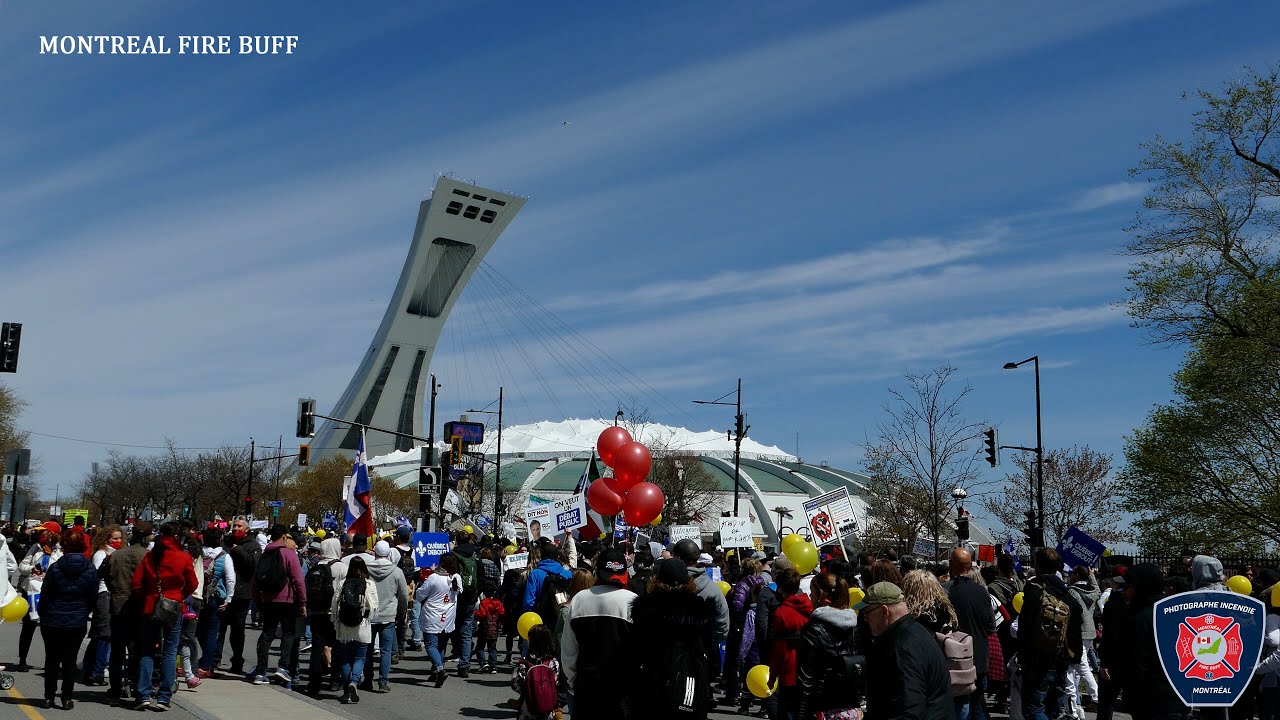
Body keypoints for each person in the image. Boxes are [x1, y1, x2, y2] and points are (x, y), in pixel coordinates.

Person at [624, 557, 717, 718]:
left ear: (657, 579)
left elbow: (635, 650)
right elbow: (710, 649)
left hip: (653, 684)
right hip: (691, 683)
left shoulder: (647, 608)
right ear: (688, 580)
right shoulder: (699, 609)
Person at [562, 548, 638, 718]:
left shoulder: (580, 599)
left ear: (598, 572)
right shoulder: (633, 601)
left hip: (587, 686)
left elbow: (568, 650)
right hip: (621, 689)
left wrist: (574, 681)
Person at [131, 522, 198, 711]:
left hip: (151, 605)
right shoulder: (183, 557)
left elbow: (136, 582)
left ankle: (143, 694)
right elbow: (193, 583)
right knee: (170, 651)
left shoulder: (151, 556)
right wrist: (179, 595)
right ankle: (164, 697)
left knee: (147, 650)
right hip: (173, 605)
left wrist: (147, 596)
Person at [862, 581, 952, 720]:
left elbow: (908, 708)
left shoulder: (903, 646)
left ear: (884, 611)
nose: (866, 619)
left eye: (867, 612)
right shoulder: (916, 632)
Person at [1017, 548, 1084, 720]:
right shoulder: (1068, 594)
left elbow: (1024, 626)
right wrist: (1073, 657)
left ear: (1038, 566)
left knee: (1033, 708)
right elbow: (1076, 628)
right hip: (1060, 660)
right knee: (1053, 709)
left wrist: (1023, 657)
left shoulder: (1034, 590)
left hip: (1037, 659)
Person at [36, 530, 98, 710]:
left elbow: (45, 594)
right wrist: (85, 611)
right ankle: (66, 698)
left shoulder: (55, 568)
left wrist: (43, 612)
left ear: (64, 546)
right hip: (76, 619)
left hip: (52, 618)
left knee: (52, 659)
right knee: (70, 660)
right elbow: (93, 596)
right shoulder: (90, 568)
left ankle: (48, 697)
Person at [1118, 563, 1188, 720]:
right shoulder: (1175, 613)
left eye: (1128, 586)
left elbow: (1137, 664)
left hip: (1152, 701)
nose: (1124, 591)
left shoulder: (1140, 618)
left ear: (1141, 587)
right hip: (1178, 698)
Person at [795, 571, 862, 720]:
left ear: (820, 594)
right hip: (851, 709)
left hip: (821, 708)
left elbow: (806, 679)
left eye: (812, 593)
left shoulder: (814, 629)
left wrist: (800, 714)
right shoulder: (855, 627)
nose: (810, 597)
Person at [250, 524, 308, 686]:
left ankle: (261, 671)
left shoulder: (264, 555)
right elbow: (298, 580)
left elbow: (255, 582)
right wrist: (302, 602)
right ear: (283, 537)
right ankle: (282, 667)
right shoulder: (288, 554)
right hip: (287, 600)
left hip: (268, 601)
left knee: (266, 635)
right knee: (288, 633)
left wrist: (259, 603)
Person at [103, 521, 150, 705]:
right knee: (138, 650)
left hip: (119, 604)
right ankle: (139, 687)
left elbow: (108, 578)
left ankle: (115, 688)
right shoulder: (148, 556)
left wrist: (117, 592)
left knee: (117, 650)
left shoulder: (116, 555)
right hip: (140, 607)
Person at [948, 548, 996, 720]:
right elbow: (991, 625)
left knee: (960, 706)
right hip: (980, 658)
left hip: (956, 660)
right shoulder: (983, 592)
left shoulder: (946, 591)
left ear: (951, 565)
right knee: (977, 704)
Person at [213, 517, 261, 675]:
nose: (236, 529)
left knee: (237, 630)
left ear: (246, 529)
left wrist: (235, 549)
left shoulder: (252, 546)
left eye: (239, 527)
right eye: (234, 527)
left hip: (241, 594)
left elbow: (252, 565)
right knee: (219, 627)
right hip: (223, 591)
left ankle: (237, 661)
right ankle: (214, 659)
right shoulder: (226, 543)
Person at [767, 567, 813, 720]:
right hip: (807, 668)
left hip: (789, 670)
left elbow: (778, 650)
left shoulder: (781, 614)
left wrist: (772, 676)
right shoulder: (809, 606)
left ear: (780, 588)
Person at [363, 540, 408, 692]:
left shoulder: (365, 570)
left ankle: (367, 679)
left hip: (369, 614)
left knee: (367, 649)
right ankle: (383, 681)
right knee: (386, 651)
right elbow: (403, 595)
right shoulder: (396, 571)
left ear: (375, 552)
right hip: (388, 615)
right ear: (389, 553)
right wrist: (401, 611)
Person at [333, 555, 378, 704]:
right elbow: (375, 608)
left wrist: (335, 620)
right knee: (360, 657)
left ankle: (346, 691)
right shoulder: (369, 584)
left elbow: (335, 605)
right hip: (363, 624)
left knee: (345, 659)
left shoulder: (342, 583)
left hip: (344, 625)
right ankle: (355, 681)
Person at [81, 524, 121, 686]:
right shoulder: (101, 554)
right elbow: (95, 577)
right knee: (103, 634)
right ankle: (96, 671)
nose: (118, 541)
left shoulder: (116, 553)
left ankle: (89, 668)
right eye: (114, 538)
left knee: (100, 635)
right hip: (103, 595)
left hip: (111, 595)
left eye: (119, 538)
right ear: (106, 539)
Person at [16, 528, 61, 671]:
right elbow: (22, 567)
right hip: (31, 590)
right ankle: (22, 660)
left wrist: (49, 574)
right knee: (28, 626)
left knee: (51, 629)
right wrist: (32, 569)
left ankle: (53, 662)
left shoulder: (60, 551)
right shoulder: (35, 549)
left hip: (51, 591)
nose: (44, 545)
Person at [672, 539, 730, 647]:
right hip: (703, 653)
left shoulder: (669, 585)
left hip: (675, 653)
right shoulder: (713, 588)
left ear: (677, 558)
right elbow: (723, 624)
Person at [196, 527, 236, 678]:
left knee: (198, 630)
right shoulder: (224, 556)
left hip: (198, 596)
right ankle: (207, 665)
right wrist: (228, 599)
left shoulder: (198, 554)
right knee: (213, 633)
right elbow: (230, 579)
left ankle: (202, 658)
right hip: (215, 597)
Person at [724, 557, 765, 707]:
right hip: (756, 625)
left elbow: (737, 606)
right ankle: (751, 694)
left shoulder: (742, 584)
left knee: (734, 659)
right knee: (752, 660)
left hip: (741, 624)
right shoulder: (761, 583)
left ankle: (733, 694)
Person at [304, 537, 342, 696]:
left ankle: (314, 682)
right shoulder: (342, 567)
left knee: (317, 646)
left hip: (316, 612)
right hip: (334, 613)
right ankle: (334, 679)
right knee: (337, 647)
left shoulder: (315, 566)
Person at [418, 553, 462, 688]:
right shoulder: (456, 577)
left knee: (431, 645)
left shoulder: (434, 577)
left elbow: (421, 594)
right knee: (441, 645)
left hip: (433, 614)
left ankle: (439, 669)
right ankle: (436, 671)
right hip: (447, 616)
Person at [1065, 566, 1101, 718]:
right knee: (1079, 665)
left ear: (1076, 575)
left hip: (1077, 631)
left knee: (1078, 665)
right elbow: (1098, 590)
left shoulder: (1072, 592)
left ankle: (1094, 696)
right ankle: (1079, 703)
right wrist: (1092, 576)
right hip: (1089, 631)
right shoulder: (1093, 592)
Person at [511, 624, 562, 720]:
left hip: (528, 707)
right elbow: (557, 682)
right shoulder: (553, 662)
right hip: (548, 707)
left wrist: (529, 691)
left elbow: (515, 684)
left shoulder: (525, 662)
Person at [475, 583, 506, 673]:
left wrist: (475, 614)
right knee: (492, 647)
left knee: (480, 647)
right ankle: (493, 666)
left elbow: (482, 614)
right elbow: (502, 613)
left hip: (484, 627)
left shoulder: (484, 602)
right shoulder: (498, 603)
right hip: (494, 628)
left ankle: (483, 662)